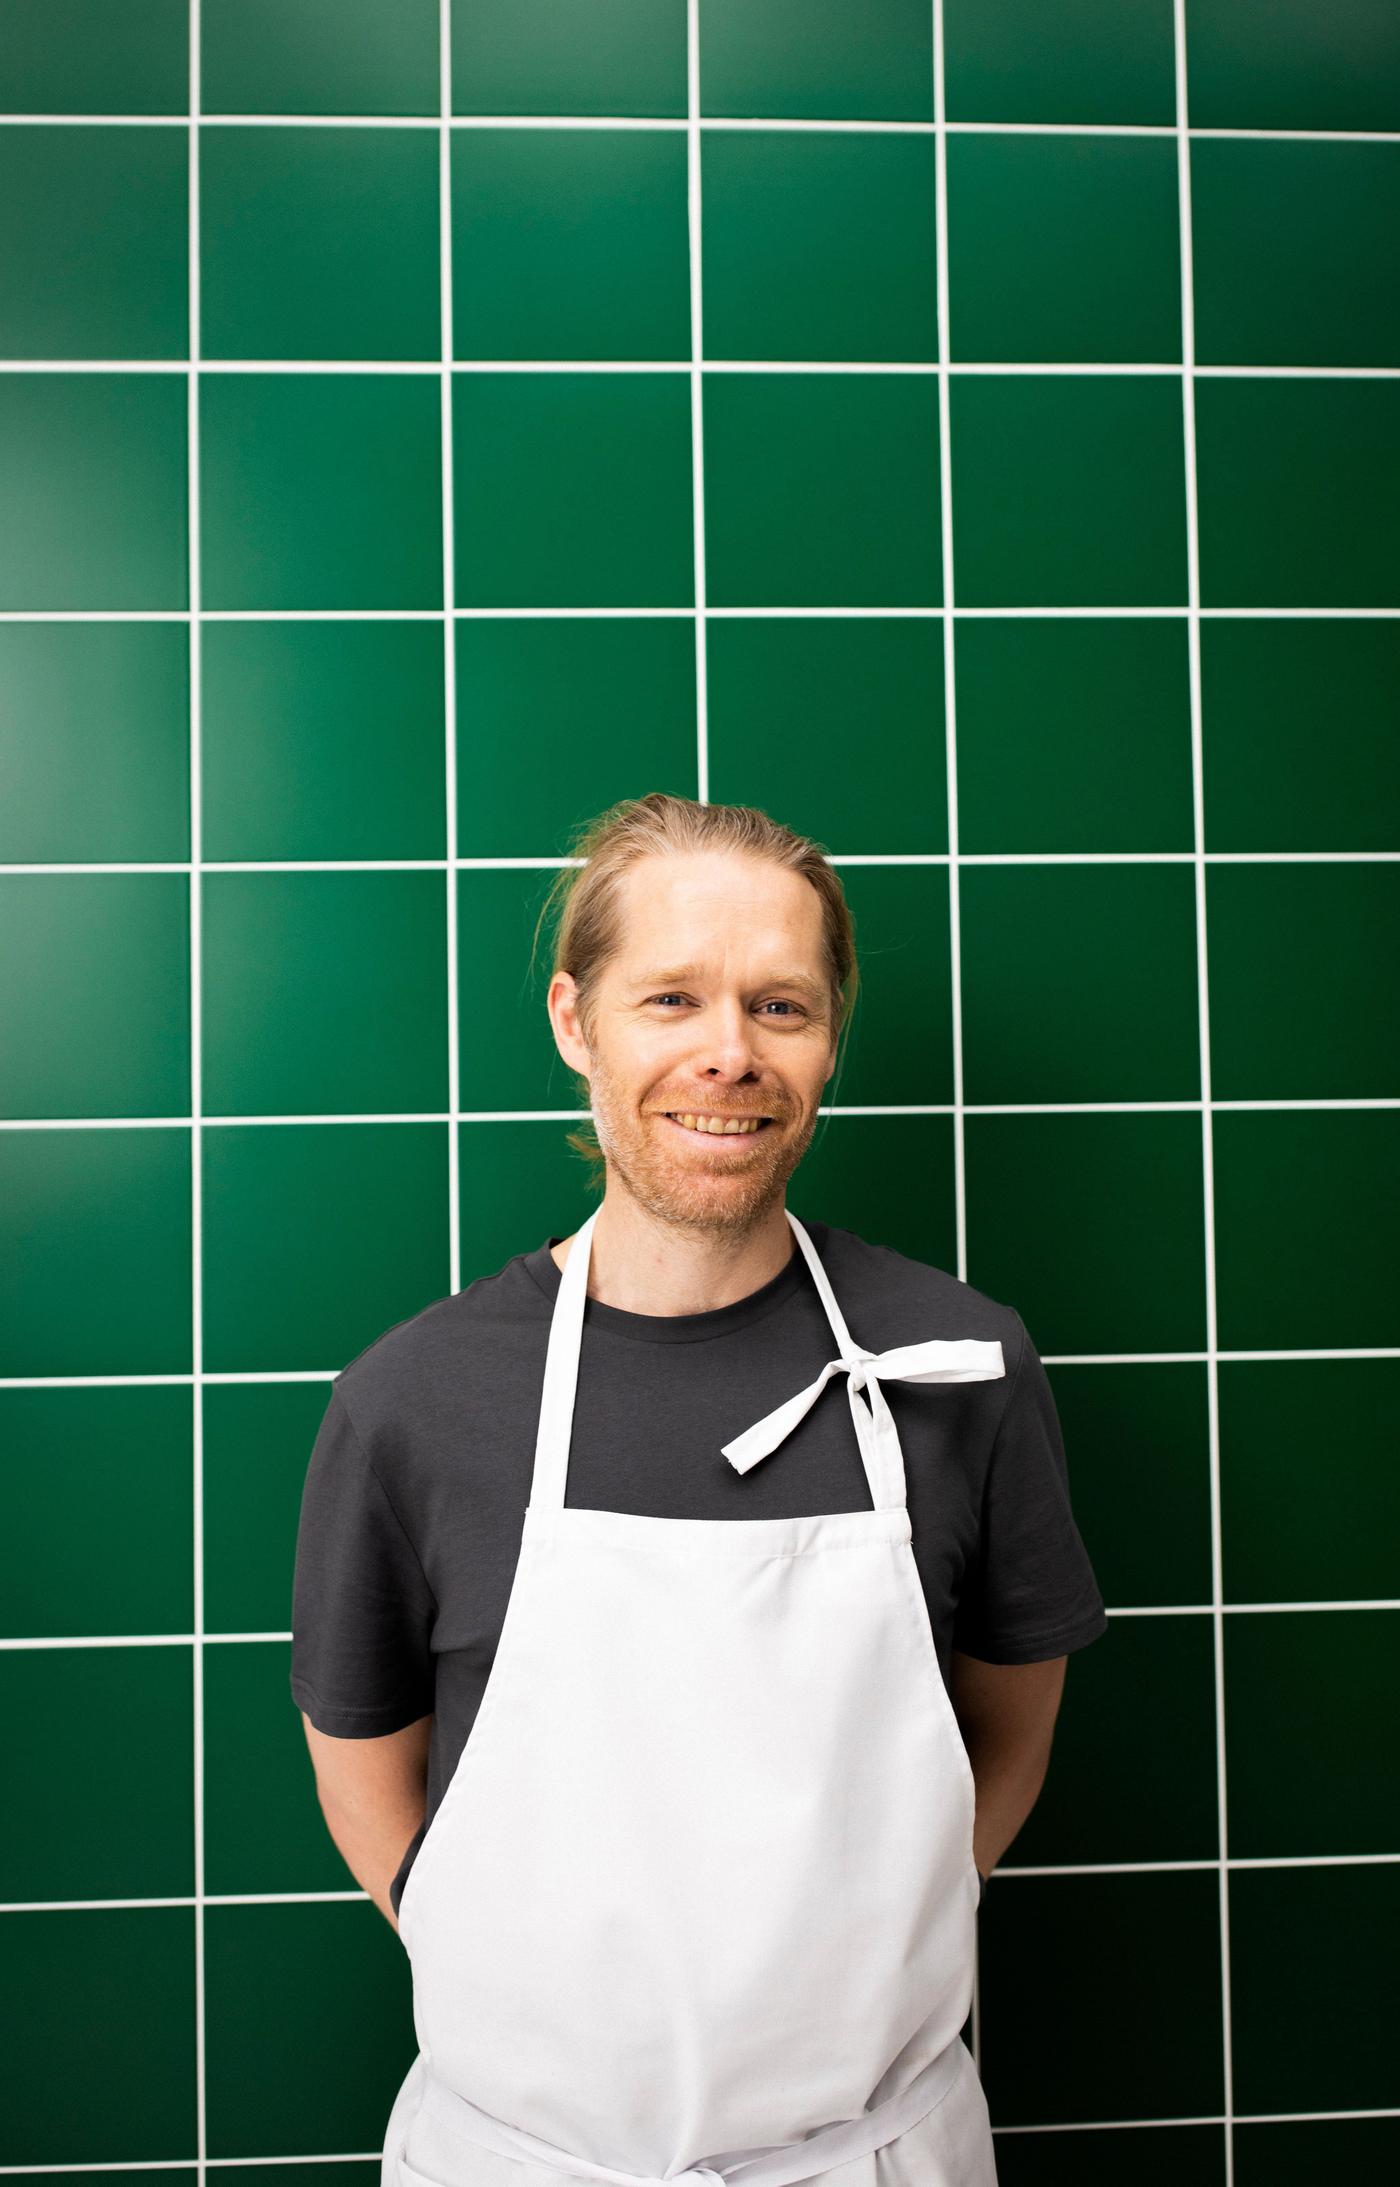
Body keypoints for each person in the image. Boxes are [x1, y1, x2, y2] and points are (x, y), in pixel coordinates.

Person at [290, 791, 1108, 2187]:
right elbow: (365, 1774)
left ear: (829, 1040)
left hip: (877, 2157)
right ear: (575, 1022)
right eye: (672, 998)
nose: (728, 1055)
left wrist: (891, 1929)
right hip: (526, 2162)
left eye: (779, 1008)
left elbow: (1011, 1727)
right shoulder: (414, 1402)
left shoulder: (960, 1366)